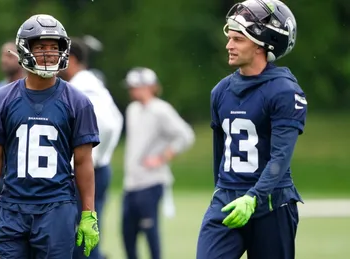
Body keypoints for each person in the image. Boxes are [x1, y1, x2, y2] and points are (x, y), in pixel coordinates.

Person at [0, 14, 101, 258]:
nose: (49, 53)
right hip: (11, 206)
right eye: (41, 47)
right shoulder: (1, 99)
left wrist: (88, 213)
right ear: (24, 50)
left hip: (56, 207)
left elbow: (83, 162)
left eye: (54, 47)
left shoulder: (78, 102)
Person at [196, 1, 307, 258]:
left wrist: (254, 196)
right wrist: (220, 190)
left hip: (271, 203)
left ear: (261, 45)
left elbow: (281, 156)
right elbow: (219, 152)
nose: (228, 45)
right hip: (226, 200)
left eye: (238, 39)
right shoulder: (221, 91)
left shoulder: (284, 91)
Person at [59, 38, 123, 259]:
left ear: (73, 59)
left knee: (82, 234)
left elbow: (108, 124)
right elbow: (117, 119)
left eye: (62, 57)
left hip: (87, 172)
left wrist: (91, 158)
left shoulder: (83, 85)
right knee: (87, 232)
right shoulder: (89, 82)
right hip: (95, 169)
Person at [123, 67, 195, 259]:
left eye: (136, 87)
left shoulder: (161, 109)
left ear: (150, 87)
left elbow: (185, 135)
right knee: (127, 233)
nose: (132, 91)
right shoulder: (132, 110)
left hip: (152, 181)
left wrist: (163, 157)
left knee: (150, 232)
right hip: (132, 182)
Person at [0, 40, 26, 259]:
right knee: (0, 243)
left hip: (23, 180)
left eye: (9, 55)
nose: (4, 59)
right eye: (2, 55)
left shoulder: (34, 91)